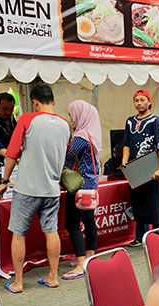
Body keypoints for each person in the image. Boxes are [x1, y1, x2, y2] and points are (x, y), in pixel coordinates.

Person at [0, 84, 69, 293]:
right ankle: (53, 277)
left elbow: (11, 153)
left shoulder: (27, 119)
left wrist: (5, 180)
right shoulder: (65, 125)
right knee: (51, 231)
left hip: (27, 188)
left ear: (34, 101)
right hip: (52, 189)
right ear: (53, 101)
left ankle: (18, 283)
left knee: (19, 234)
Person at [122, 89, 159, 247]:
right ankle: (140, 236)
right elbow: (126, 143)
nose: (139, 103)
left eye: (142, 100)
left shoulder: (156, 121)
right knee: (138, 202)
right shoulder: (129, 121)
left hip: (151, 167)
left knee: (153, 202)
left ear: (149, 102)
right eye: (136, 100)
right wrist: (124, 161)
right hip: (135, 168)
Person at [62, 100, 101, 280]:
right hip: (91, 186)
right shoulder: (93, 135)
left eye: (71, 114)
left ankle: (80, 264)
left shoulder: (80, 137)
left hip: (78, 187)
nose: (70, 118)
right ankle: (90, 255)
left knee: (72, 224)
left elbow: (68, 161)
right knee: (89, 220)